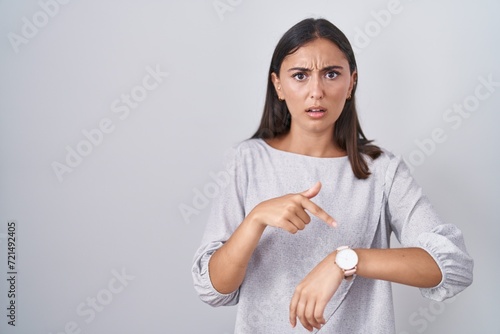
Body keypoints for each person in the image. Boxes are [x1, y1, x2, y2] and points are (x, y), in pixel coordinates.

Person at [191, 18, 473, 333]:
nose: (316, 91)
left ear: (351, 83)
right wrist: (255, 219)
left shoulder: (382, 171)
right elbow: (213, 288)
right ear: (278, 85)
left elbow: (453, 265)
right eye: (300, 75)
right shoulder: (247, 161)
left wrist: (345, 260)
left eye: (331, 74)